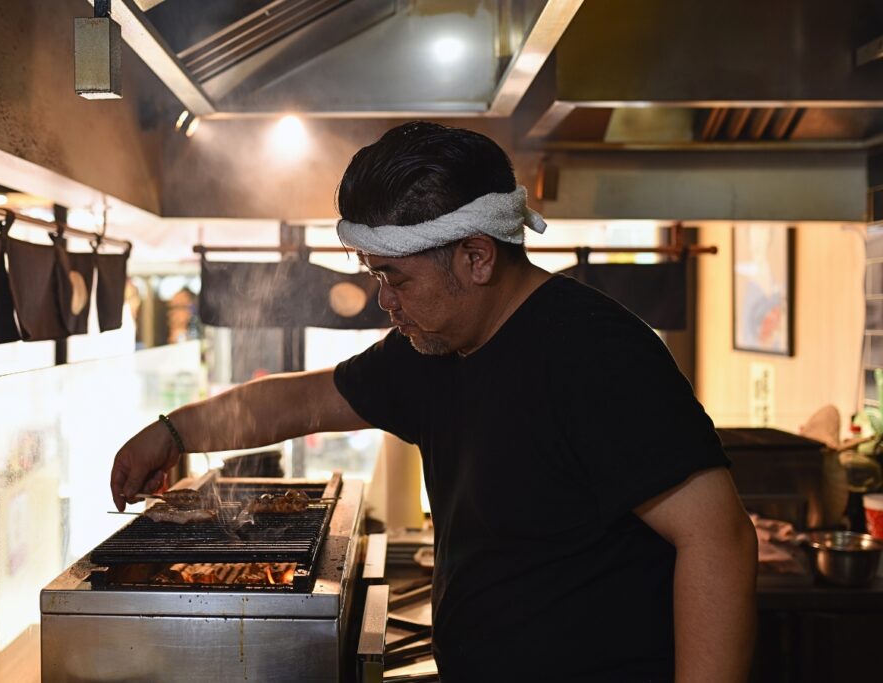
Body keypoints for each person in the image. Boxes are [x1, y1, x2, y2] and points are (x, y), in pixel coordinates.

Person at [110, 121, 757, 682]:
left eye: (395, 277)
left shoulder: (596, 354)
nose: (384, 300)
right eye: (375, 275)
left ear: (476, 257)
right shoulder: (431, 349)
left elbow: (718, 540)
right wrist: (174, 431)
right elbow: (305, 400)